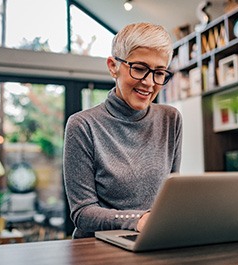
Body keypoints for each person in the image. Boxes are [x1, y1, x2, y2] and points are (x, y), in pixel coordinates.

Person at [63, 22, 183, 238]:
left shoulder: (170, 119)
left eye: (159, 72)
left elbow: (171, 196)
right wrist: (137, 220)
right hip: (97, 249)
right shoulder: (82, 125)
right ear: (113, 66)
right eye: (139, 69)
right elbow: (82, 213)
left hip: (151, 241)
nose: (149, 82)